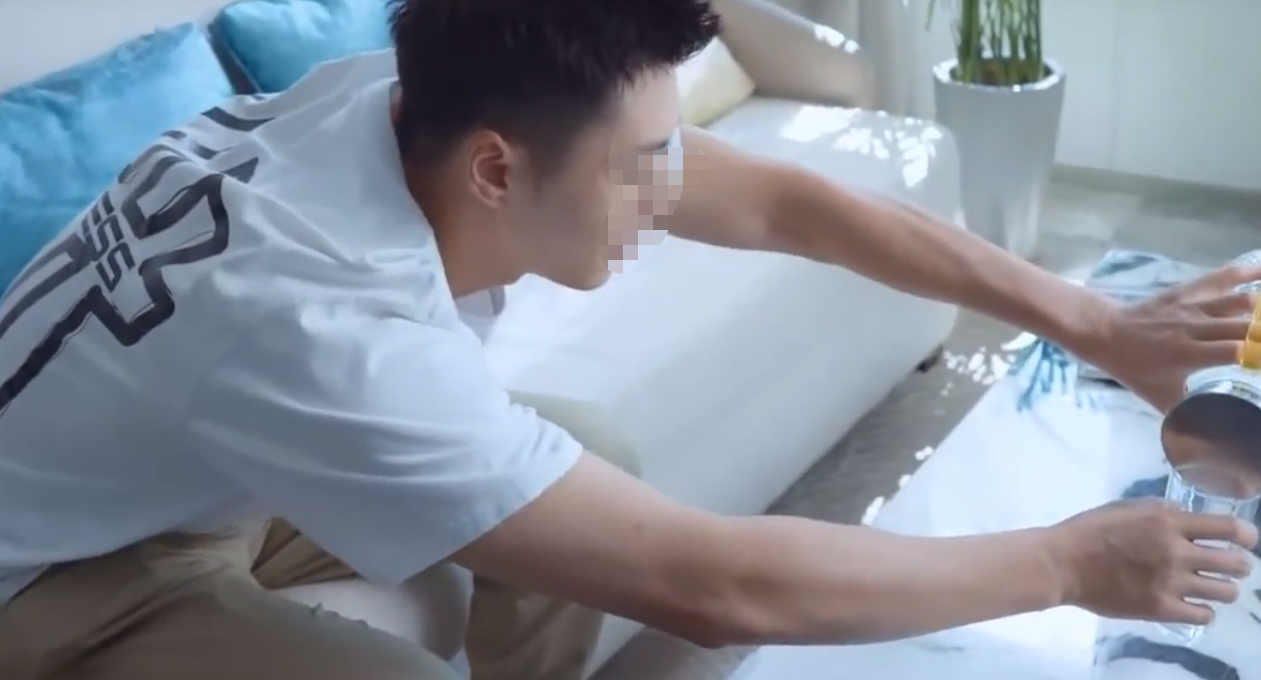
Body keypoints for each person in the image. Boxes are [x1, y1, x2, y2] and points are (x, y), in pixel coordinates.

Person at [0, 0, 1256, 678]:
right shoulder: (329, 328)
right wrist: (1065, 561)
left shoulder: (384, 101)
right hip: (48, 577)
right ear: (499, 169)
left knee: (587, 447)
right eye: (641, 162)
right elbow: (718, 588)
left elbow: (784, 201)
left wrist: (1098, 320)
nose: (672, 187)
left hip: (186, 448)